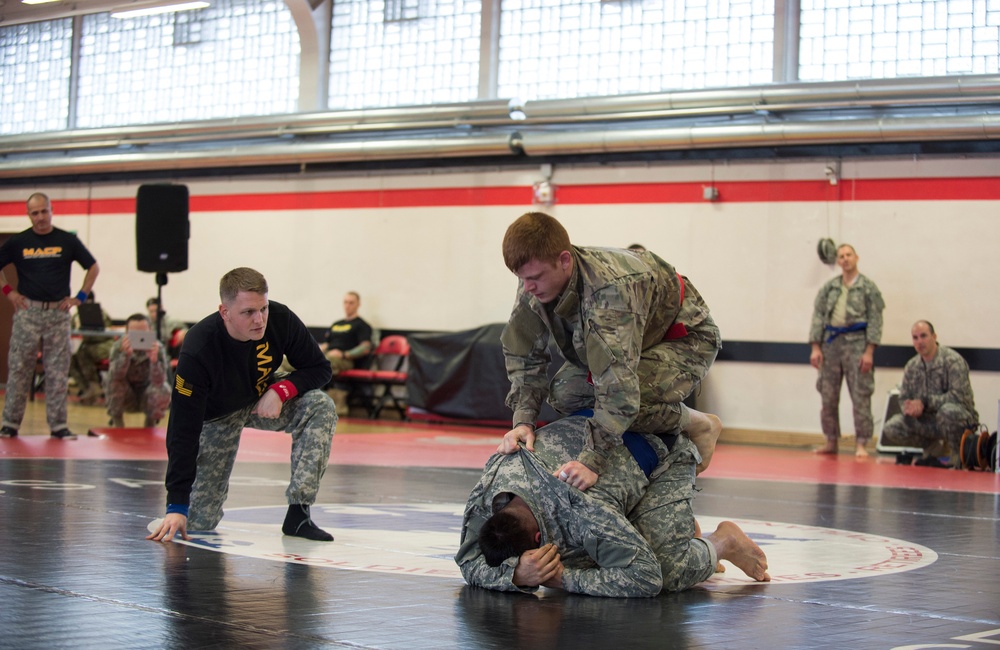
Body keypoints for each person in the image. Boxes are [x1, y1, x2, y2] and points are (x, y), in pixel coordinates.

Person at [498, 212, 723, 491]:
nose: (528, 286)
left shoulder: (609, 293)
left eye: (535, 277)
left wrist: (593, 461)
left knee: (624, 398)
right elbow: (524, 354)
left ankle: (697, 424)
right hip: (635, 339)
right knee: (565, 393)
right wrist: (523, 422)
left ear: (564, 260)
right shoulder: (534, 281)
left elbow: (618, 388)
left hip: (684, 340)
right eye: (521, 278)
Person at [456, 414, 770, 596]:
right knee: (586, 550)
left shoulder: (581, 511)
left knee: (668, 571)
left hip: (661, 452)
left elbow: (646, 577)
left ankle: (722, 541)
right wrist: (515, 575)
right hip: (600, 429)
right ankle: (676, 526)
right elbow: (467, 562)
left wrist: (562, 578)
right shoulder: (486, 494)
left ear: (538, 539)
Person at [146, 267, 338, 544]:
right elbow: (181, 429)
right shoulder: (199, 348)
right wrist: (176, 505)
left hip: (261, 396)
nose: (259, 319)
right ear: (225, 312)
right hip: (216, 416)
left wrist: (282, 390)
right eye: (248, 312)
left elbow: (320, 368)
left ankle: (299, 514)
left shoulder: (280, 319)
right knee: (199, 521)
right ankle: (183, 512)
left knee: (320, 405)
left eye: (263, 308)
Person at [0, 192, 100, 440]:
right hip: (28, 313)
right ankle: (10, 423)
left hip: (58, 314)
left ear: (51, 210)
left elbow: (93, 267)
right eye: (35, 213)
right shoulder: (18, 242)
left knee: (57, 371)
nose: (41, 217)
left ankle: (58, 426)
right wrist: (9, 293)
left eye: (44, 211)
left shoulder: (66, 240)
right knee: (19, 369)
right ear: (29, 215)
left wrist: (81, 297)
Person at [809, 243, 885, 458]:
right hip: (831, 343)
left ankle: (861, 443)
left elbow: (876, 320)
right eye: (841, 256)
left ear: (856, 257)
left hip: (858, 344)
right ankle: (830, 440)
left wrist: (869, 351)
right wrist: (816, 347)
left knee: (861, 395)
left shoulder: (868, 287)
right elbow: (817, 317)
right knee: (828, 394)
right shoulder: (830, 288)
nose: (845, 259)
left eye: (848, 255)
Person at [881, 320, 979, 467]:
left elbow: (958, 397)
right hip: (928, 422)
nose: (920, 341)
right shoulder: (912, 366)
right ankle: (934, 449)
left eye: (924, 336)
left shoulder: (953, 361)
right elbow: (903, 397)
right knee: (892, 427)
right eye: (915, 338)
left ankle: (958, 455)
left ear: (934, 336)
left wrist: (924, 402)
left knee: (947, 412)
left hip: (958, 419)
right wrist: (909, 408)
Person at [104, 313, 172, 428]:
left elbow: (159, 381)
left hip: (147, 395)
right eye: (134, 333)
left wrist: (154, 361)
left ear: (150, 331)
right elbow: (115, 376)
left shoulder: (157, 348)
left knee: (163, 388)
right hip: (126, 394)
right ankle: (118, 424)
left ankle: (150, 424)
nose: (139, 337)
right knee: (112, 382)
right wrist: (125, 356)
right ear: (126, 332)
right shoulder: (118, 347)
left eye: (143, 332)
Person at [320, 291, 373, 415]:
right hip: (327, 356)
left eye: (351, 303)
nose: (348, 305)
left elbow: (365, 347)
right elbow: (326, 345)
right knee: (288, 361)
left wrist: (344, 354)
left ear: (358, 304)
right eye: (345, 302)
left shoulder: (362, 325)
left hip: (345, 359)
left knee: (326, 363)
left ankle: (324, 399)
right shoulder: (337, 324)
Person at [70, 291, 114, 405]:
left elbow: (106, 329)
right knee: (70, 359)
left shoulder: (100, 313)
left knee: (83, 353)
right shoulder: (76, 315)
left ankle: (94, 385)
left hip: (103, 344)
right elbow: (71, 329)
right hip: (86, 346)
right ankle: (86, 388)